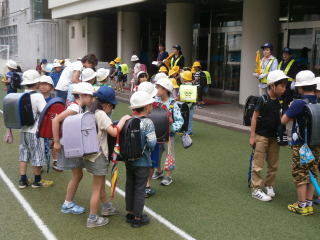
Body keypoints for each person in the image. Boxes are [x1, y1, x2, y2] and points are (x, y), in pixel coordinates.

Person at [85, 86, 131, 228]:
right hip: (99, 156)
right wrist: (123, 119)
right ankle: (92, 219)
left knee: (100, 184)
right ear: (108, 105)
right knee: (96, 189)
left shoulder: (91, 112)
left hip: (90, 155)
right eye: (112, 107)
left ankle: (106, 207)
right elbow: (114, 132)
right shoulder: (101, 114)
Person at [281, 70, 319, 216]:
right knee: (312, 173)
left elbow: (283, 120)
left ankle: (301, 205)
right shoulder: (318, 101)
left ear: (300, 88)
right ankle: (309, 204)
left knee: (300, 173)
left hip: (300, 145)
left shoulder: (298, 103)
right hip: (316, 143)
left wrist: (292, 108)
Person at [52, 82, 95, 214]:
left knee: (78, 175)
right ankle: (67, 203)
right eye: (90, 97)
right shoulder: (75, 108)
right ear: (82, 95)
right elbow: (55, 120)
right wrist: (56, 142)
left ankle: (68, 202)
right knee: (77, 175)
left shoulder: (75, 106)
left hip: (71, 144)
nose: (92, 100)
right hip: (69, 145)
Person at [250, 70, 288, 201]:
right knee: (258, 163)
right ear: (272, 85)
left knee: (273, 163)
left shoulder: (280, 100)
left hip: (274, 137)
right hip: (261, 136)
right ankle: (256, 189)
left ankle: (269, 185)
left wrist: (282, 138)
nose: (284, 89)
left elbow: (280, 119)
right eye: (282, 86)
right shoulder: (263, 99)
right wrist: (252, 136)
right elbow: (254, 118)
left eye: (285, 86)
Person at [126, 91, 156, 227]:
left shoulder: (129, 120)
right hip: (143, 161)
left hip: (129, 160)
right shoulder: (148, 122)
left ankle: (131, 212)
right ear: (146, 106)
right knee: (140, 189)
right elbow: (152, 143)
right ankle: (138, 218)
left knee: (130, 185)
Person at [18, 70, 53, 188]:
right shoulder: (38, 96)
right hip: (35, 131)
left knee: (23, 153)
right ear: (37, 82)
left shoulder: (22, 95)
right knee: (37, 154)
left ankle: (23, 179)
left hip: (23, 130)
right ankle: (37, 180)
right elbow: (45, 112)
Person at [152, 78, 184, 186]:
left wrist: (171, 129)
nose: (156, 90)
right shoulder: (154, 101)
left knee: (169, 154)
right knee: (157, 153)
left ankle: (168, 176)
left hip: (169, 135)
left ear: (165, 90)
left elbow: (180, 121)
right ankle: (159, 171)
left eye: (158, 88)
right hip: (156, 134)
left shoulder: (173, 104)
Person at [39, 75, 59, 172]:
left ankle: (55, 161)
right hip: (40, 125)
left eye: (46, 84)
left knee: (54, 142)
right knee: (40, 144)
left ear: (51, 87)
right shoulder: (36, 97)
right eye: (41, 84)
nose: (43, 86)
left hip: (52, 125)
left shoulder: (54, 98)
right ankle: (40, 163)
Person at [176, 71, 196, 136]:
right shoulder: (194, 86)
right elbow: (196, 96)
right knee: (189, 118)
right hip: (191, 104)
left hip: (183, 104)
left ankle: (180, 130)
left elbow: (179, 97)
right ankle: (189, 131)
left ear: (184, 78)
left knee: (182, 116)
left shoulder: (182, 86)